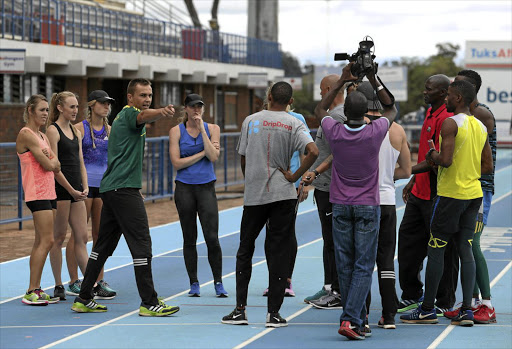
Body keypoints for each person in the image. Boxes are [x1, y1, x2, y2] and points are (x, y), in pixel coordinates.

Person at [71, 78, 179, 316]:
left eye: (150, 95)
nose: (147, 99)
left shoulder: (121, 118)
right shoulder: (130, 113)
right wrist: (161, 112)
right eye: (142, 95)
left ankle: (84, 296)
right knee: (142, 245)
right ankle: (149, 302)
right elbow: (142, 117)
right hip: (122, 191)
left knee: (103, 246)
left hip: (114, 189)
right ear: (130, 98)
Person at [221, 81, 318, 328]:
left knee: (245, 249)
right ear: (291, 101)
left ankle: (240, 310)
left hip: (255, 196)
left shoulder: (250, 120)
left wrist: (252, 180)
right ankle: (273, 313)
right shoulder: (295, 122)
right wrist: (296, 178)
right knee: (278, 252)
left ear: (269, 96)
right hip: (284, 195)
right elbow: (313, 151)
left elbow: (243, 158)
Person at [314, 63, 397, 340]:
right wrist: (374, 77)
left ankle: (356, 318)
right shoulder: (375, 132)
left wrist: (340, 82)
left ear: (344, 113)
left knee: (345, 264)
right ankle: (351, 319)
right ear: (365, 114)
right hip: (367, 207)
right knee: (363, 265)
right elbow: (391, 109)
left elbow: (320, 111)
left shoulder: (334, 132)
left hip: (340, 205)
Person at [400, 79, 493, 327]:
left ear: (458, 98)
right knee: (465, 248)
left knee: (436, 248)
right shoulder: (480, 126)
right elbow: (487, 166)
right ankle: (466, 310)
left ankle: (428, 309)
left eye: (450, 95)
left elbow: (446, 160)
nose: (447, 99)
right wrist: (467, 171)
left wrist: (432, 155)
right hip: (473, 194)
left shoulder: (451, 123)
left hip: (451, 194)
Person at [397, 74, 459, 316]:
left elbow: (438, 161)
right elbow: (425, 152)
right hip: (418, 194)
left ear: (443, 93)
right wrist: (412, 180)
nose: (424, 92)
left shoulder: (447, 119)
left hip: (437, 194)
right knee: (408, 246)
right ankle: (412, 294)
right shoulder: (430, 113)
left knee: (442, 249)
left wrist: (403, 172)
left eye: (429, 89)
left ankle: (444, 301)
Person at [443, 70, 497, 324]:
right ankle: (471, 302)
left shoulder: (480, 115)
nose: (450, 88)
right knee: (463, 244)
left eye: (454, 85)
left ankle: (486, 303)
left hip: (478, 186)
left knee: (471, 244)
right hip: (467, 185)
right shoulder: (463, 116)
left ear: (466, 90)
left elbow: (484, 161)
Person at [356, 82, 411, 330]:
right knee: (386, 259)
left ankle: (363, 314)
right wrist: (387, 176)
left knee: (363, 260)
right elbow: (407, 170)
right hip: (387, 200)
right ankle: (389, 315)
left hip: (364, 200)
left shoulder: (357, 127)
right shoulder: (397, 129)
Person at [169, 93, 227, 298]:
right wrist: (202, 153)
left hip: (206, 188)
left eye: (199, 107)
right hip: (185, 188)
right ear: (185, 108)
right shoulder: (176, 131)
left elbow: (214, 157)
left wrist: (202, 130)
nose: (196, 110)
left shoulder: (213, 129)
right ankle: (194, 282)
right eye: (193, 107)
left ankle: (218, 282)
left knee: (212, 237)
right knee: (189, 237)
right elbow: (176, 163)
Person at [66, 90, 117, 300]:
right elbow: (75, 158)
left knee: (100, 235)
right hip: (84, 186)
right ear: (92, 105)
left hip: (104, 187)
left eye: (109, 103)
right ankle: (73, 281)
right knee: (79, 235)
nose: (106, 107)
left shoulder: (111, 130)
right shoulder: (79, 129)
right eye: (103, 103)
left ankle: (98, 280)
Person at [302, 74, 347, 309]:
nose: (320, 95)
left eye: (322, 90)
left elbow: (339, 150)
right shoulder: (334, 115)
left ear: (330, 88)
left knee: (333, 241)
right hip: (324, 186)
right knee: (329, 241)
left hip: (330, 188)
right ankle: (330, 286)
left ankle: (336, 290)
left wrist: (316, 173)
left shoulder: (337, 116)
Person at [261, 86, 310, 298]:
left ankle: (286, 280)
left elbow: (306, 151)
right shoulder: (260, 119)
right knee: (271, 233)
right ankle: (274, 279)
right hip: (267, 184)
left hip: (291, 183)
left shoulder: (297, 119)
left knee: (287, 232)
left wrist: (304, 181)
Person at [16, 95, 61, 305]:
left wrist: (51, 159)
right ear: (31, 110)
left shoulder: (42, 136)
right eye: (41, 110)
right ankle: (31, 290)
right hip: (37, 193)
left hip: (50, 192)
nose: (45, 114)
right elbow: (49, 164)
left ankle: (36, 288)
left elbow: (56, 163)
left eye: (47, 110)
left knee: (41, 240)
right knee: (48, 240)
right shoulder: (26, 134)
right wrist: (50, 159)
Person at [46, 91, 90, 301]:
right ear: (60, 108)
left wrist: (85, 186)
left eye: (76, 106)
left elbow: (80, 161)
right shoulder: (52, 131)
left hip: (77, 190)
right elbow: (54, 166)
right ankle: (58, 284)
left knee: (82, 236)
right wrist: (70, 189)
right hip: (61, 190)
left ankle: (89, 283)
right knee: (59, 237)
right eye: (71, 107)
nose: (75, 111)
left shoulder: (76, 132)